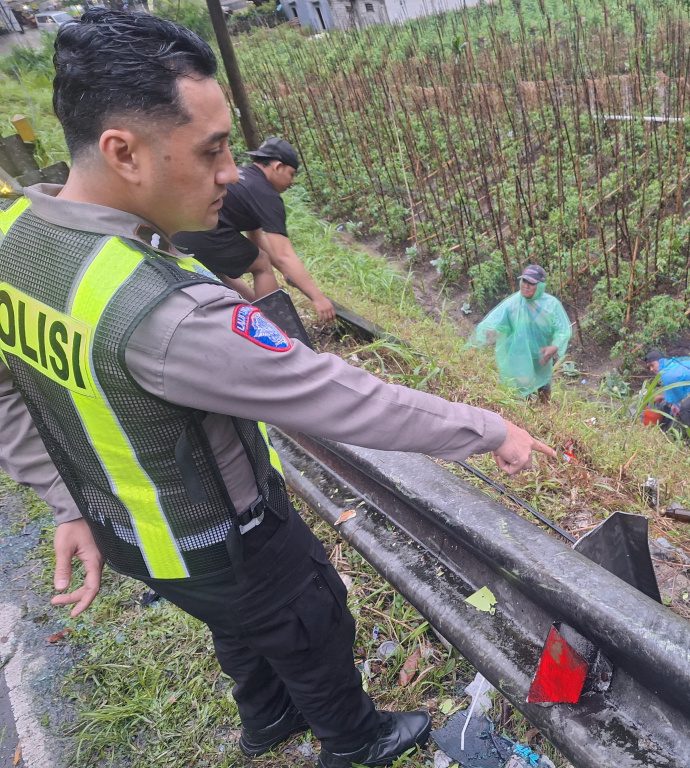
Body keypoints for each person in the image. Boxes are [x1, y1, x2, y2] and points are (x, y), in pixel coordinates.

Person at [0, 12, 553, 768]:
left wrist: (67, 502)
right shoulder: (167, 315)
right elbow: (343, 397)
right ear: (123, 151)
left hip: (135, 536)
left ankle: (263, 722)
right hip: (229, 537)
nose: (233, 172)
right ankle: (354, 741)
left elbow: (8, 393)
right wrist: (489, 429)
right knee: (309, 621)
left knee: (238, 626)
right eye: (213, 149)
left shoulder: (16, 241)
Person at [172, 136, 336, 324]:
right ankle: (278, 327)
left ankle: (255, 317)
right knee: (262, 264)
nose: (292, 182)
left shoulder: (245, 177)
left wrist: (286, 272)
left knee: (221, 272)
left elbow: (257, 239)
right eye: (291, 174)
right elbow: (284, 255)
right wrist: (318, 298)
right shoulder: (266, 194)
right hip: (202, 231)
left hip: (179, 230)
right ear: (277, 166)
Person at [467, 264, 571, 403]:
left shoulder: (551, 305)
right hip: (518, 354)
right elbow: (493, 324)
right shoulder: (513, 304)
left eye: (531, 283)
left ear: (540, 286)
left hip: (541, 354)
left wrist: (555, 346)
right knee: (523, 384)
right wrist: (476, 344)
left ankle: (545, 411)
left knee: (544, 386)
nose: (526, 286)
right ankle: (525, 410)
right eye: (524, 281)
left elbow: (563, 330)